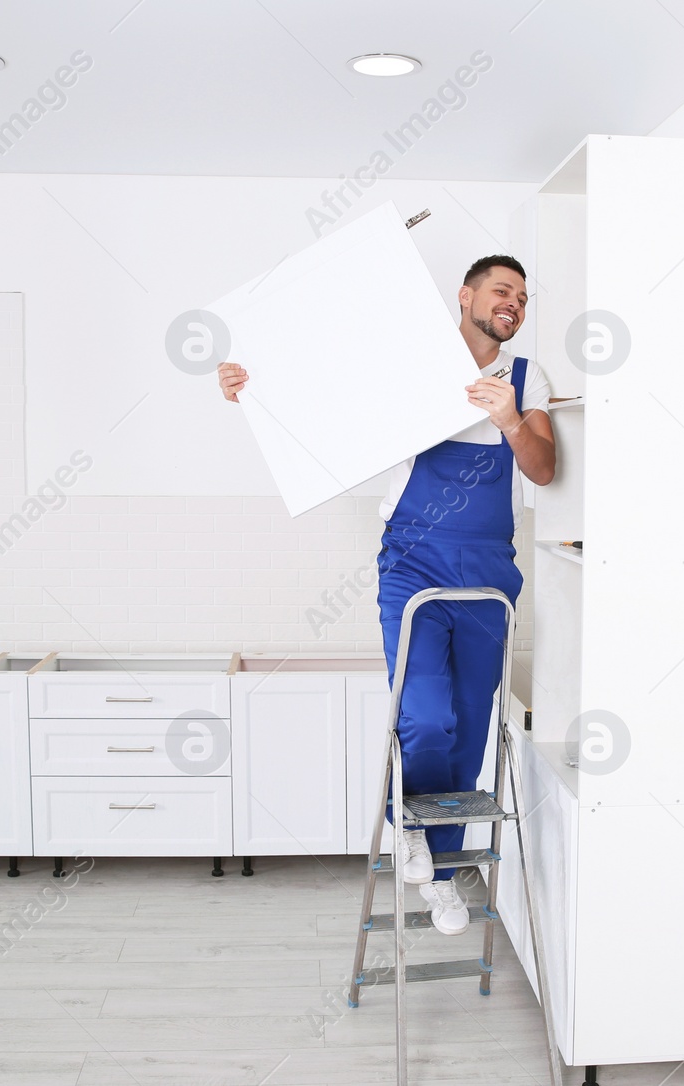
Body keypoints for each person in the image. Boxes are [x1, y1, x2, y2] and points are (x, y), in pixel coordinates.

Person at [217, 255, 554, 935]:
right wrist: (251, 387)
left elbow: (544, 470)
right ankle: (412, 829)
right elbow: (325, 395)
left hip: (491, 570)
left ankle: (446, 861)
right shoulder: (411, 361)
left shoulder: (527, 377)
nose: (512, 301)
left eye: (521, 294)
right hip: (415, 561)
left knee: (470, 718)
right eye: (500, 289)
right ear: (466, 296)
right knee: (426, 715)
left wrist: (512, 419)